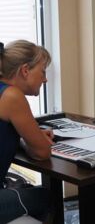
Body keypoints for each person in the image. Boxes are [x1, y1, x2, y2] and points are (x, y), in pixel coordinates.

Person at [0, 40, 54, 223]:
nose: (45, 79)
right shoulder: (11, 96)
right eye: (43, 71)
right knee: (46, 197)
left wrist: (28, 138)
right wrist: (33, 139)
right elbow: (42, 152)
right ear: (25, 70)